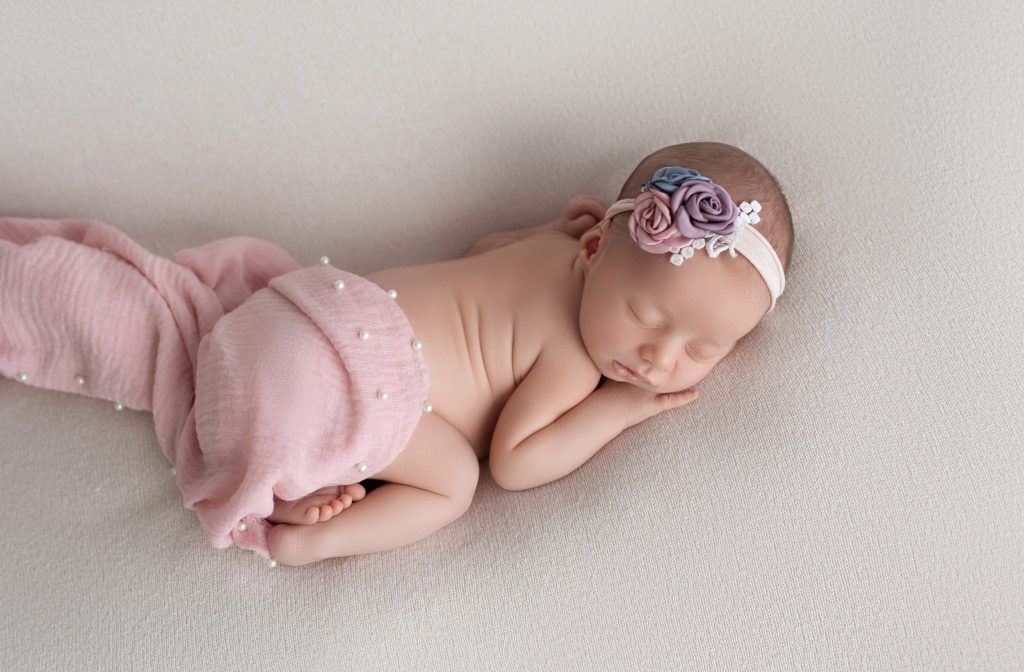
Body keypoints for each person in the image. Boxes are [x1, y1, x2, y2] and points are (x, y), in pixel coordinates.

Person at [0, 141, 794, 567]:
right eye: (646, 316)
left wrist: (544, 235)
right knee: (454, 480)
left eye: (702, 348)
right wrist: (615, 412)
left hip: (291, 313)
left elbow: (481, 246)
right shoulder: (574, 361)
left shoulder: (553, 250)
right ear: (597, 245)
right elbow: (516, 461)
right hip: (346, 385)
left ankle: (300, 463)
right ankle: (302, 531)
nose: (657, 357)